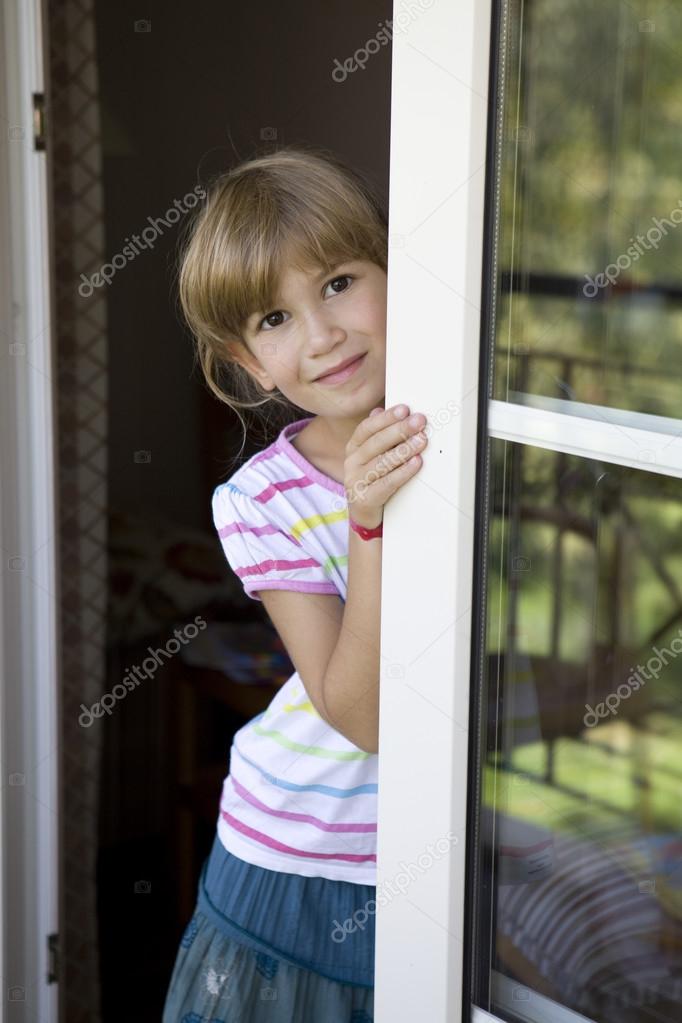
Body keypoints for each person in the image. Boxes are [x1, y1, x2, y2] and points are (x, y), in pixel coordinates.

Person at [162, 144, 429, 1022]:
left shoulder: (461, 426)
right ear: (247, 363)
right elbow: (361, 716)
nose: (322, 335)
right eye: (275, 320)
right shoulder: (259, 499)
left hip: (442, 856)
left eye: (341, 282)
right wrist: (368, 522)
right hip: (299, 865)